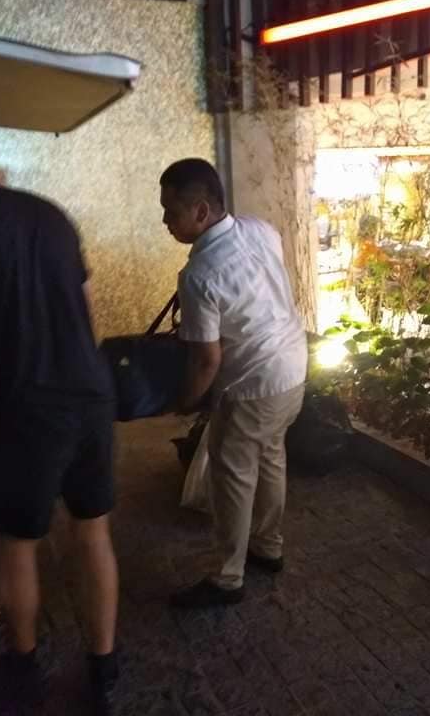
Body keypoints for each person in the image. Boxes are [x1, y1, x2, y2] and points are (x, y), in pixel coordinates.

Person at [0, 113, 119, 715]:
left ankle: (22, 667)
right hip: (91, 393)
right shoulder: (51, 215)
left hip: (26, 406)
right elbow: (84, 311)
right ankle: (103, 668)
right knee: (92, 529)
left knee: (14, 540)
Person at [160, 158, 307, 608]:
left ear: (201, 210)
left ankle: (228, 577)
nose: (165, 221)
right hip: (293, 368)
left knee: (233, 478)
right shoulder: (261, 230)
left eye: (171, 211)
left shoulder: (199, 274)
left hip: (252, 383)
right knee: (272, 457)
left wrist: (185, 402)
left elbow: (207, 359)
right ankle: (268, 546)